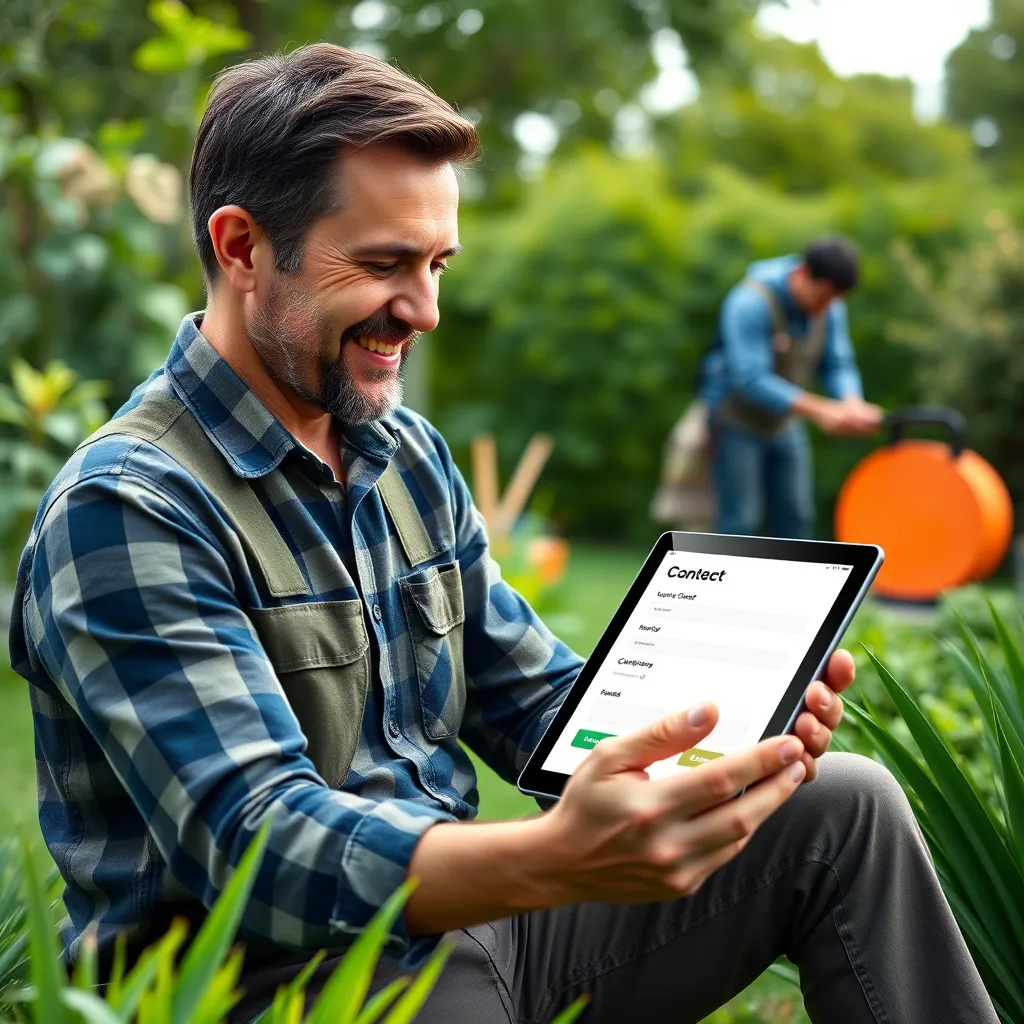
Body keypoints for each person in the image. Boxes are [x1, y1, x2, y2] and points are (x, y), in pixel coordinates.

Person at [8, 45, 996, 1024]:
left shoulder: (403, 456)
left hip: (480, 925)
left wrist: (719, 733)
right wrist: (550, 856)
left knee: (843, 810)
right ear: (240, 246)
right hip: (277, 988)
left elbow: (540, 701)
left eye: (437, 263)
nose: (426, 310)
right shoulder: (131, 508)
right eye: (386, 264)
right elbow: (259, 846)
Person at [698, 239, 884, 539]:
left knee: (796, 520)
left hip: (785, 423)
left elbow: (837, 363)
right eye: (821, 297)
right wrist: (822, 410)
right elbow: (750, 379)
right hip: (734, 421)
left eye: (833, 301)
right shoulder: (749, 301)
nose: (825, 308)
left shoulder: (830, 305)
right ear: (802, 274)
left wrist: (852, 404)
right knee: (741, 523)